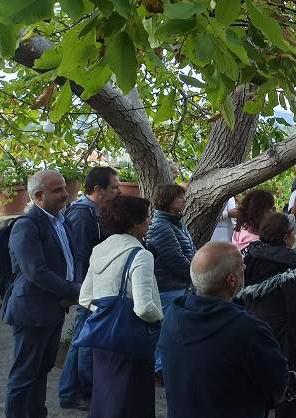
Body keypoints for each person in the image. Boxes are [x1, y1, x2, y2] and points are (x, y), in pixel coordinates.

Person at [158, 242, 289, 418]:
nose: (245, 269)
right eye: (242, 267)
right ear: (231, 280)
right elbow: (277, 381)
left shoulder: (172, 316)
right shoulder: (249, 331)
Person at [2, 170, 81, 418]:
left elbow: (73, 258)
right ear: (38, 195)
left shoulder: (62, 220)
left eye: (64, 188)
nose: (65, 194)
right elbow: (37, 271)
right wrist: (73, 290)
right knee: (25, 374)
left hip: (55, 307)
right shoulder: (26, 226)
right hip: (32, 312)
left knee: (42, 369)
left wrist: (73, 288)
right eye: (57, 190)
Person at [79, 195, 163, 418]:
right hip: (131, 338)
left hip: (103, 338)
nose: (150, 222)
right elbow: (144, 308)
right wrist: (160, 320)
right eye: (147, 218)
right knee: (132, 400)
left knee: (105, 396)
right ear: (135, 223)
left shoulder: (100, 249)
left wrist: (109, 313)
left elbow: (85, 297)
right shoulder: (141, 255)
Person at [237, 214, 296, 417]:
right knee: (288, 406)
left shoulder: (250, 257)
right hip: (285, 349)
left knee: (257, 403)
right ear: (286, 238)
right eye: (294, 233)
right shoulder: (293, 268)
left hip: (254, 341)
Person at [59, 166, 121, 411]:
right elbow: (81, 257)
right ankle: (80, 393)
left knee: (82, 340)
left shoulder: (93, 212)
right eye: (114, 187)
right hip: (89, 290)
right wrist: (84, 291)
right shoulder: (84, 215)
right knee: (83, 341)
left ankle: (71, 393)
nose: (118, 191)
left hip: (92, 288)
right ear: (98, 190)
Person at [145, 184, 197, 382]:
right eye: (179, 197)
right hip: (168, 287)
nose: (184, 200)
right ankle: (159, 368)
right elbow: (177, 261)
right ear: (167, 200)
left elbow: (190, 251)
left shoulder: (176, 223)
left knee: (172, 328)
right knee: (164, 329)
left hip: (178, 286)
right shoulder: (161, 227)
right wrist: (197, 274)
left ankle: (165, 366)